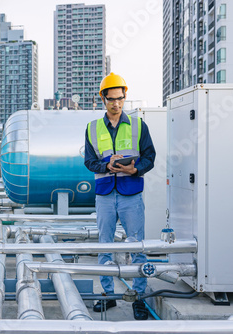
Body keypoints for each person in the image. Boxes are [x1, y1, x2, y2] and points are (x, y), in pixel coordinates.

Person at [84, 72, 156, 320]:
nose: (117, 104)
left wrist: (134, 168)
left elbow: (150, 157)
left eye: (121, 99)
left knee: (138, 246)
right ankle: (108, 296)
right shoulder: (92, 128)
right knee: (105, 247)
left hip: (131, 194)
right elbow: (89, 162)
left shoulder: (138, 126)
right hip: (105, 195)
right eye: (112, 99)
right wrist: (106, 166)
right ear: (103, 99)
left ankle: (137, 297)